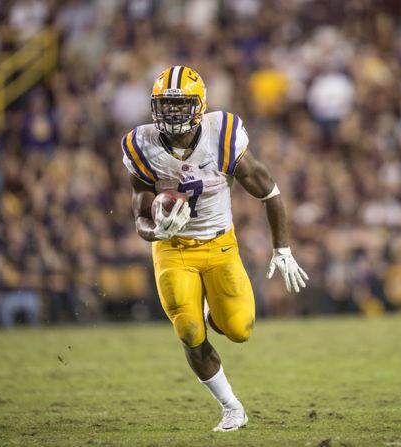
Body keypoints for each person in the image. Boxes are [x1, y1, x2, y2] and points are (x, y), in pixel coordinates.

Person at [121, 66, 309, 432]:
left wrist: (282, 248)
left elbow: (268, 189)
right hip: (173, 249)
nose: (173, 114)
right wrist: (155, 230)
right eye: (166, 106)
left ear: (200, 105)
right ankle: (231, 407)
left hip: (220, 244)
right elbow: (139, 214)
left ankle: (211, 313)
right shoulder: (140, 144)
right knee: (188, 331)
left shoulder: (221, 135)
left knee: (239, 329)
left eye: (181, 105)